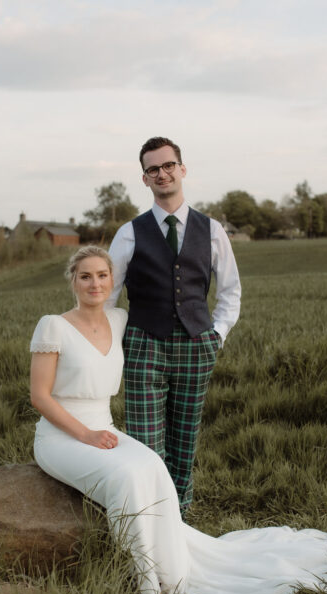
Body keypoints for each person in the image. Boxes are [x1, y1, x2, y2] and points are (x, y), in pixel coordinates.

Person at [31, 246, 327, 594]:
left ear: (112, 280)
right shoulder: (53, 325)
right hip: (62, 436)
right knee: (126, 478)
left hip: (105, 427)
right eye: (85, 276)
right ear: (73, 281)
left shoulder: (119, 319)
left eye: (102, 275)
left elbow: (166, 311)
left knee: (154, 468)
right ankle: (149, 591)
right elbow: (39, 395)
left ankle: (173, 567)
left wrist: (208, 335)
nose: (95, 283)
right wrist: (85, 435)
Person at [107, 136, 242, 518]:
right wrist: (108, 344)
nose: (162, 173)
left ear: (182, 170)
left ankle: (179, 518)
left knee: (184, 442)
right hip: (143, 344)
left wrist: (217, 335)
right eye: (153, 169)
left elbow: (230, 289)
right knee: (145, 444)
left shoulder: (212, 230)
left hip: (197, 345)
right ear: (145, 179)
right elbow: (108, 296)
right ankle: (148, 516)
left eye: (168, 166)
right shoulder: (129, 233)